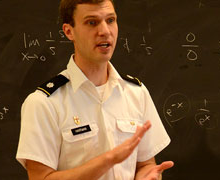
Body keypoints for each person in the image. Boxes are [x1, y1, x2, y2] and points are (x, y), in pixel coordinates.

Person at [16, 0, 173, 179]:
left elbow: (146, 164)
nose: (105, 31)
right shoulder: (44, 103)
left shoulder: (136, 92)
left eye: (111, 20)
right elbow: (40, 178)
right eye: (92, 22)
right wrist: (108, 160)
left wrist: (148, 176)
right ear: (69, 31)